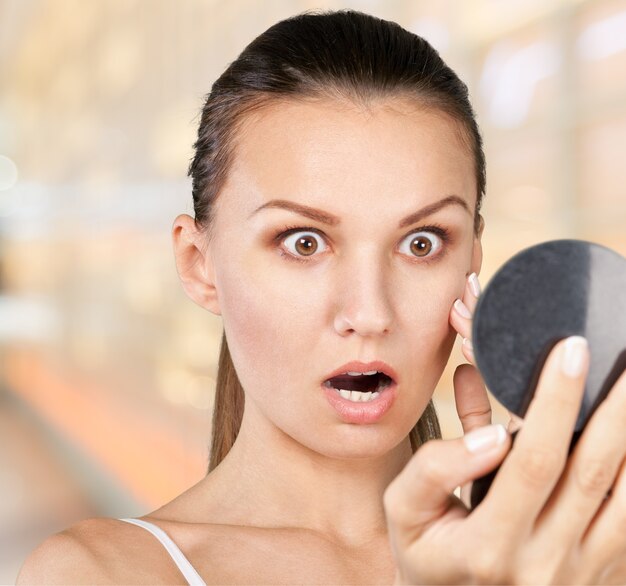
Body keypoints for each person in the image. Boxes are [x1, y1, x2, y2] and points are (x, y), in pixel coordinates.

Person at [17, 9, 626, 585]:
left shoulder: (581, 560)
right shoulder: (102, 572)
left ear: (473, 260)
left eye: (421, 243)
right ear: (199, 265)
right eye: (304, 242)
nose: (369, 313)